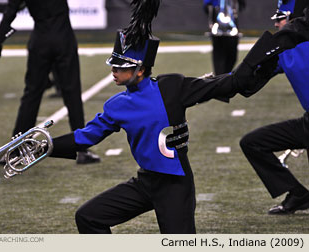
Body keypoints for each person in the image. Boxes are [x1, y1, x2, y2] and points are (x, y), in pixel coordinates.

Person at [48, 0, 305, 233]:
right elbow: (85, 138)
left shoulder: (172, 88)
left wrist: (269, 47)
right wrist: (47, 146)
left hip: (176, 186)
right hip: (144, 182)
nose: (114, 71)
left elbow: (229, 84)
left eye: (121, 66)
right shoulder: (116, 105)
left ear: (140, 70)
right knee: (88, 217)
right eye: (113, 65)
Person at [0, 0, 100, 164]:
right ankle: (81, 149)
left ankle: (16, 150)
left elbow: (10, 13)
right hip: (63, 38)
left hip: (40, 40)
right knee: (72, 93)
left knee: (31, 95)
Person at [240, 0, 309, 215]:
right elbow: (255, 73)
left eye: (280, 18)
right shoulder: (284, 49)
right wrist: (216, 84)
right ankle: (298, 194)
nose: (277, 24)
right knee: (252, 143)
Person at [203, 0, 246, 75]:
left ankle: (224, 79)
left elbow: (242, 5)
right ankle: (220, 80)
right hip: (217, 29)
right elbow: (207, 6)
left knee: (232, 57)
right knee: (219, 58)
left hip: (232, 28)